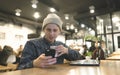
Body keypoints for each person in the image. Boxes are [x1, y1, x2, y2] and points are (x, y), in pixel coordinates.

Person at [17, 13, 82, 70]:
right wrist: (34, 63)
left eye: (55, 30)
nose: (51, 33)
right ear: (44, 30)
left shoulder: (61, 45)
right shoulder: (32, 44)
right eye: (48, 30)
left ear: (59, 31)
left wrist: (67, 51)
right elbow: (20, 67)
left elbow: (79, 57)